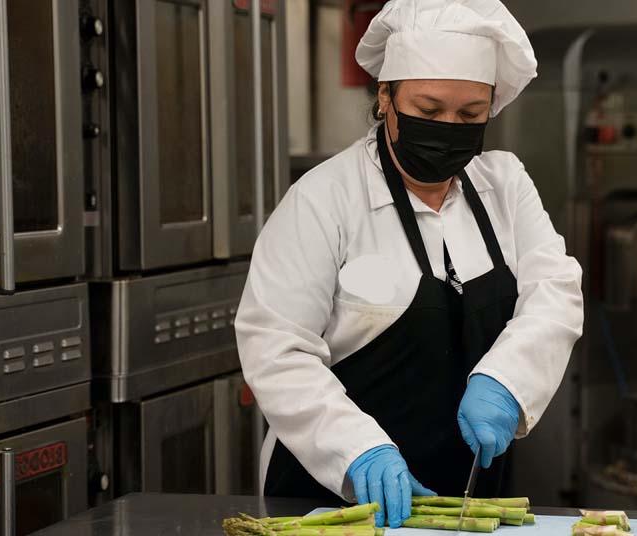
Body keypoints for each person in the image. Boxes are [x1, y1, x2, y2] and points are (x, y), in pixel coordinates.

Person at [235, 0, 582, 528]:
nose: (448, 127)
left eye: (470, 115)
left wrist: (509, 379)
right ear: (385, 98)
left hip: (466, 502)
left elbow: (555, 291)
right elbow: (276, 348)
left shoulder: (505, 185)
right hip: (332, 498)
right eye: (428, 109)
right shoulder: (324, 199)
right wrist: (358, 449)